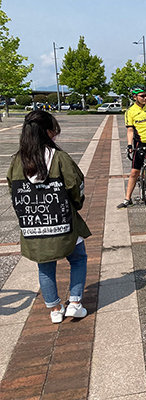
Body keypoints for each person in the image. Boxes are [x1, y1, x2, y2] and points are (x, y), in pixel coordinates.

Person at [7, 111, 91, 323]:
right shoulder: (59, 158)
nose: (55, 136)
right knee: (78, 258)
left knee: (44, 265)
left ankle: (54, 309)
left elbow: (13, 191)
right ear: (46, 132)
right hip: (63, 223)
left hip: (33, 225)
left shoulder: (17, 161)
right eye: (54, 131)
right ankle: (75, 303)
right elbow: (75, 186)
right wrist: (77, 204)